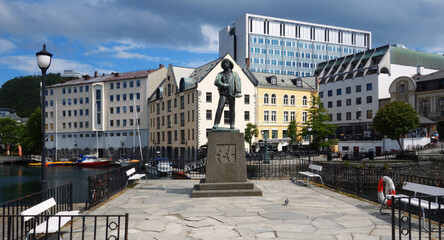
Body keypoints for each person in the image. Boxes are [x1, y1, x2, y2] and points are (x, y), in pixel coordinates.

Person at [213, 59, 242, 129]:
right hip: (223, 93)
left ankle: (232, 123)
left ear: (230, 64)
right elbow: (216, 82)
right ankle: (216, 123)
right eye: (224, 63)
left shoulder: (235, 74)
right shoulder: (220, 74)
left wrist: (238, 92)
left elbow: (238, 82)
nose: (225, 64)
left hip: (232, 93)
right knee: (220, 107)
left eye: (226, 63)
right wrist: (223, 85)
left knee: (232, 109)